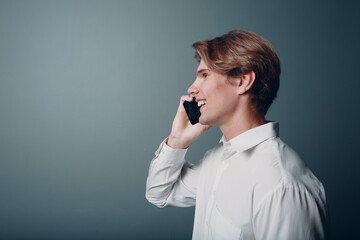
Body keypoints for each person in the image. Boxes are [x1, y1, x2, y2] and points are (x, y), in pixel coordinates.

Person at [145, 30, 328, 240]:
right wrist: (178, 140)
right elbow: (159, 194)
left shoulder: (281, 185)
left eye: (204, 75)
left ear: (243, 81)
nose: (191, 88)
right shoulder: (216, 160)